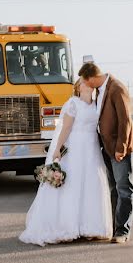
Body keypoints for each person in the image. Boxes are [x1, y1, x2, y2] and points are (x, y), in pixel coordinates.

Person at [19, 80, 112, 245]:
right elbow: (66, 128)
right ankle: (68, 226)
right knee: (73, 185)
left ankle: (90, 227)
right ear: (78, 87)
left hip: (91, 150)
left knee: (90, 185)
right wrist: (57, 149)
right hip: (74, 148)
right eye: (84, 82)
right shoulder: (73, 104)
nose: (88, 84)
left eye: (89, 81)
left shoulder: (97, 103)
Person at [79, 62, 133, 243]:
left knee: (124, 189)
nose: (85, 84)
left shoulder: (117, 88)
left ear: (91, 77)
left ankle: (123, 231)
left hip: (119, 148)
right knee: (114, 188)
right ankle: (115, 228)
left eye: (85, 80)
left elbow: (125, 122)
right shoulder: (99, 90)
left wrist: (121, 149)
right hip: (107, 147)